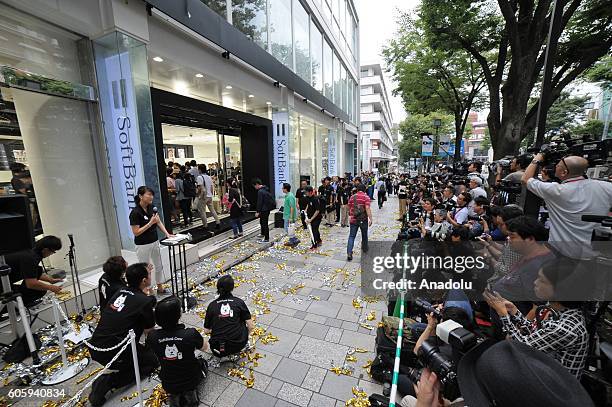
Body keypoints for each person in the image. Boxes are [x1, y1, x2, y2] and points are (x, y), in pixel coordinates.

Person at [88, 263, 159, 406]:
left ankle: (129, 362)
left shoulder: (119, 292)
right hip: (114, 351)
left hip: (96, 345)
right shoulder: (143, 302)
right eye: (149, 274)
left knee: (143, 355)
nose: (151, 275)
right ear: (144, 281)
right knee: (152, 362)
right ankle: (107, 382)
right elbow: (149, 331)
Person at [485, 283, 588, 379]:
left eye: (542, 280)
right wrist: (513, 311)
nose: (535, 282)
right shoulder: (557, 309)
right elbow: (534, 331)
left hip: (555, 386)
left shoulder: (564, 328)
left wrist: (503, 314)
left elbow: (519, 346)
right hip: (545, 366)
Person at [522, 154, 612, 258]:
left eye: (558, 165)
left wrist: (538, 157)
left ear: (564, 172)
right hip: (594, 254)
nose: (555, 166)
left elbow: (525, 178)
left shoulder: (555, 191)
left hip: (562, 254)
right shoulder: (606, 187)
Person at [147, 296, 208, 407]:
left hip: (168, 381)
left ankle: (174, 397)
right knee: (203, 363)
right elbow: (205, 347)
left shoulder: (152, 336)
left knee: (173, 383)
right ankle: (191, 396)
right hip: (191, 378)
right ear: (178, 315)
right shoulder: (190, 334)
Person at [129, 186, 172, 295]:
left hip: (154, 241)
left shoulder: (151, 208)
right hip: (142, 245)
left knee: (159, 265)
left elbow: (158, 222)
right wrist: (150, 223)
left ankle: (160, 286)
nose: (151, 197)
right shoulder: (135, 213)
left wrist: (167, 234)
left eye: (152, 194)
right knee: (146, 269)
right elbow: (136, 232)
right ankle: (149, 290)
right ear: (140, 196)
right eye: (148, 194)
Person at [203, 275, 254, 357]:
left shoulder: (212, 306)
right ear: (232, 288)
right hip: (238, 344)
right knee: (242, 321)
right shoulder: (239, 302)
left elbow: (206, 331)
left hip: (217, 347)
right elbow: (251, 326)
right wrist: (244, 336)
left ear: (218, 288)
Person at [5, 235, 63, 306]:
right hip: (3, 284)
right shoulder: (31, 258)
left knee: (38, 270)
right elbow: (31, 284)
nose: (51, 254)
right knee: (39, 290)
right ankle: (15, 307)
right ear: (45, 250)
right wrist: (51, 288)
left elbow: (31, 272)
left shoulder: (31, 252)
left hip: (7, 280)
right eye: (53, 252)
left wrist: (50, 280)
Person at [347, 184, 372, 261]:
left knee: (351, 236)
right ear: (364, 190)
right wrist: (370, 218)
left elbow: (349, 207)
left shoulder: (352, 197)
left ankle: (349, 253)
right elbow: (367, 208)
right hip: (363, 220)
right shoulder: (366, 197)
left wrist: (350, 215)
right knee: (364, 236)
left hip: (353, 219)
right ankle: (364, 252)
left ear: (357, 189)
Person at [195, 165, 220, 231]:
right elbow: (212, 187)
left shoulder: (199, 177)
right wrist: (211, 194)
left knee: (202, 211)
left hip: (203, 196)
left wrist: (198, 195)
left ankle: (205, 225)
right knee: (212, 210)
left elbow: (200, 187)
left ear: (200, 170)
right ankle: (218, 222)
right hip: (209, 196)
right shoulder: (209, 177)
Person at [253, 178, 275, 243]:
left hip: (263, 210)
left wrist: (257, 211)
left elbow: (259, 202)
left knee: (264, 224)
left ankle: (266, 238)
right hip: (267, 209)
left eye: (254, 186)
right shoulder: (266, 189)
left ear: (257, 184)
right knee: (262, 222)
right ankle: (263, 234)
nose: (255, 187)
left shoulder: (260, 191)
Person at [304, 185, 323, 250]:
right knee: (315, 229)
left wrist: (311, 219)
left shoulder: (315, 199)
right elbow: (308, 204)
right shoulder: (308, 197)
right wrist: (306, 210)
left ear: (310, 192)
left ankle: (314, 244)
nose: (305, 193)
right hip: (310, 216)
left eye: (306, 192)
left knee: (314, 230)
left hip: (317, 217)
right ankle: (319, 240)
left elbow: (317, 211)